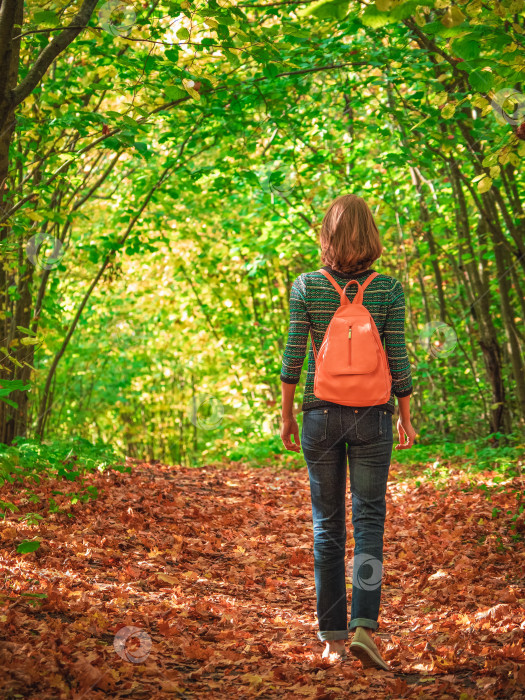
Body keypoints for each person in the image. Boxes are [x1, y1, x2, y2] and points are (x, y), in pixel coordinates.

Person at [279, 194, 416, 668]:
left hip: (320, 416)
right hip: (373, 416)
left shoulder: (307, 286)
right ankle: (364, 626)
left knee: (327, 526)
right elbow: (397, 356)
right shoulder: (388, 289)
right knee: (370, 522)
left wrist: (286, 415)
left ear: (328, 234)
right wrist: (406, 413)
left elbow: (294, 354)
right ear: (371, 234)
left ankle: (332, 638)